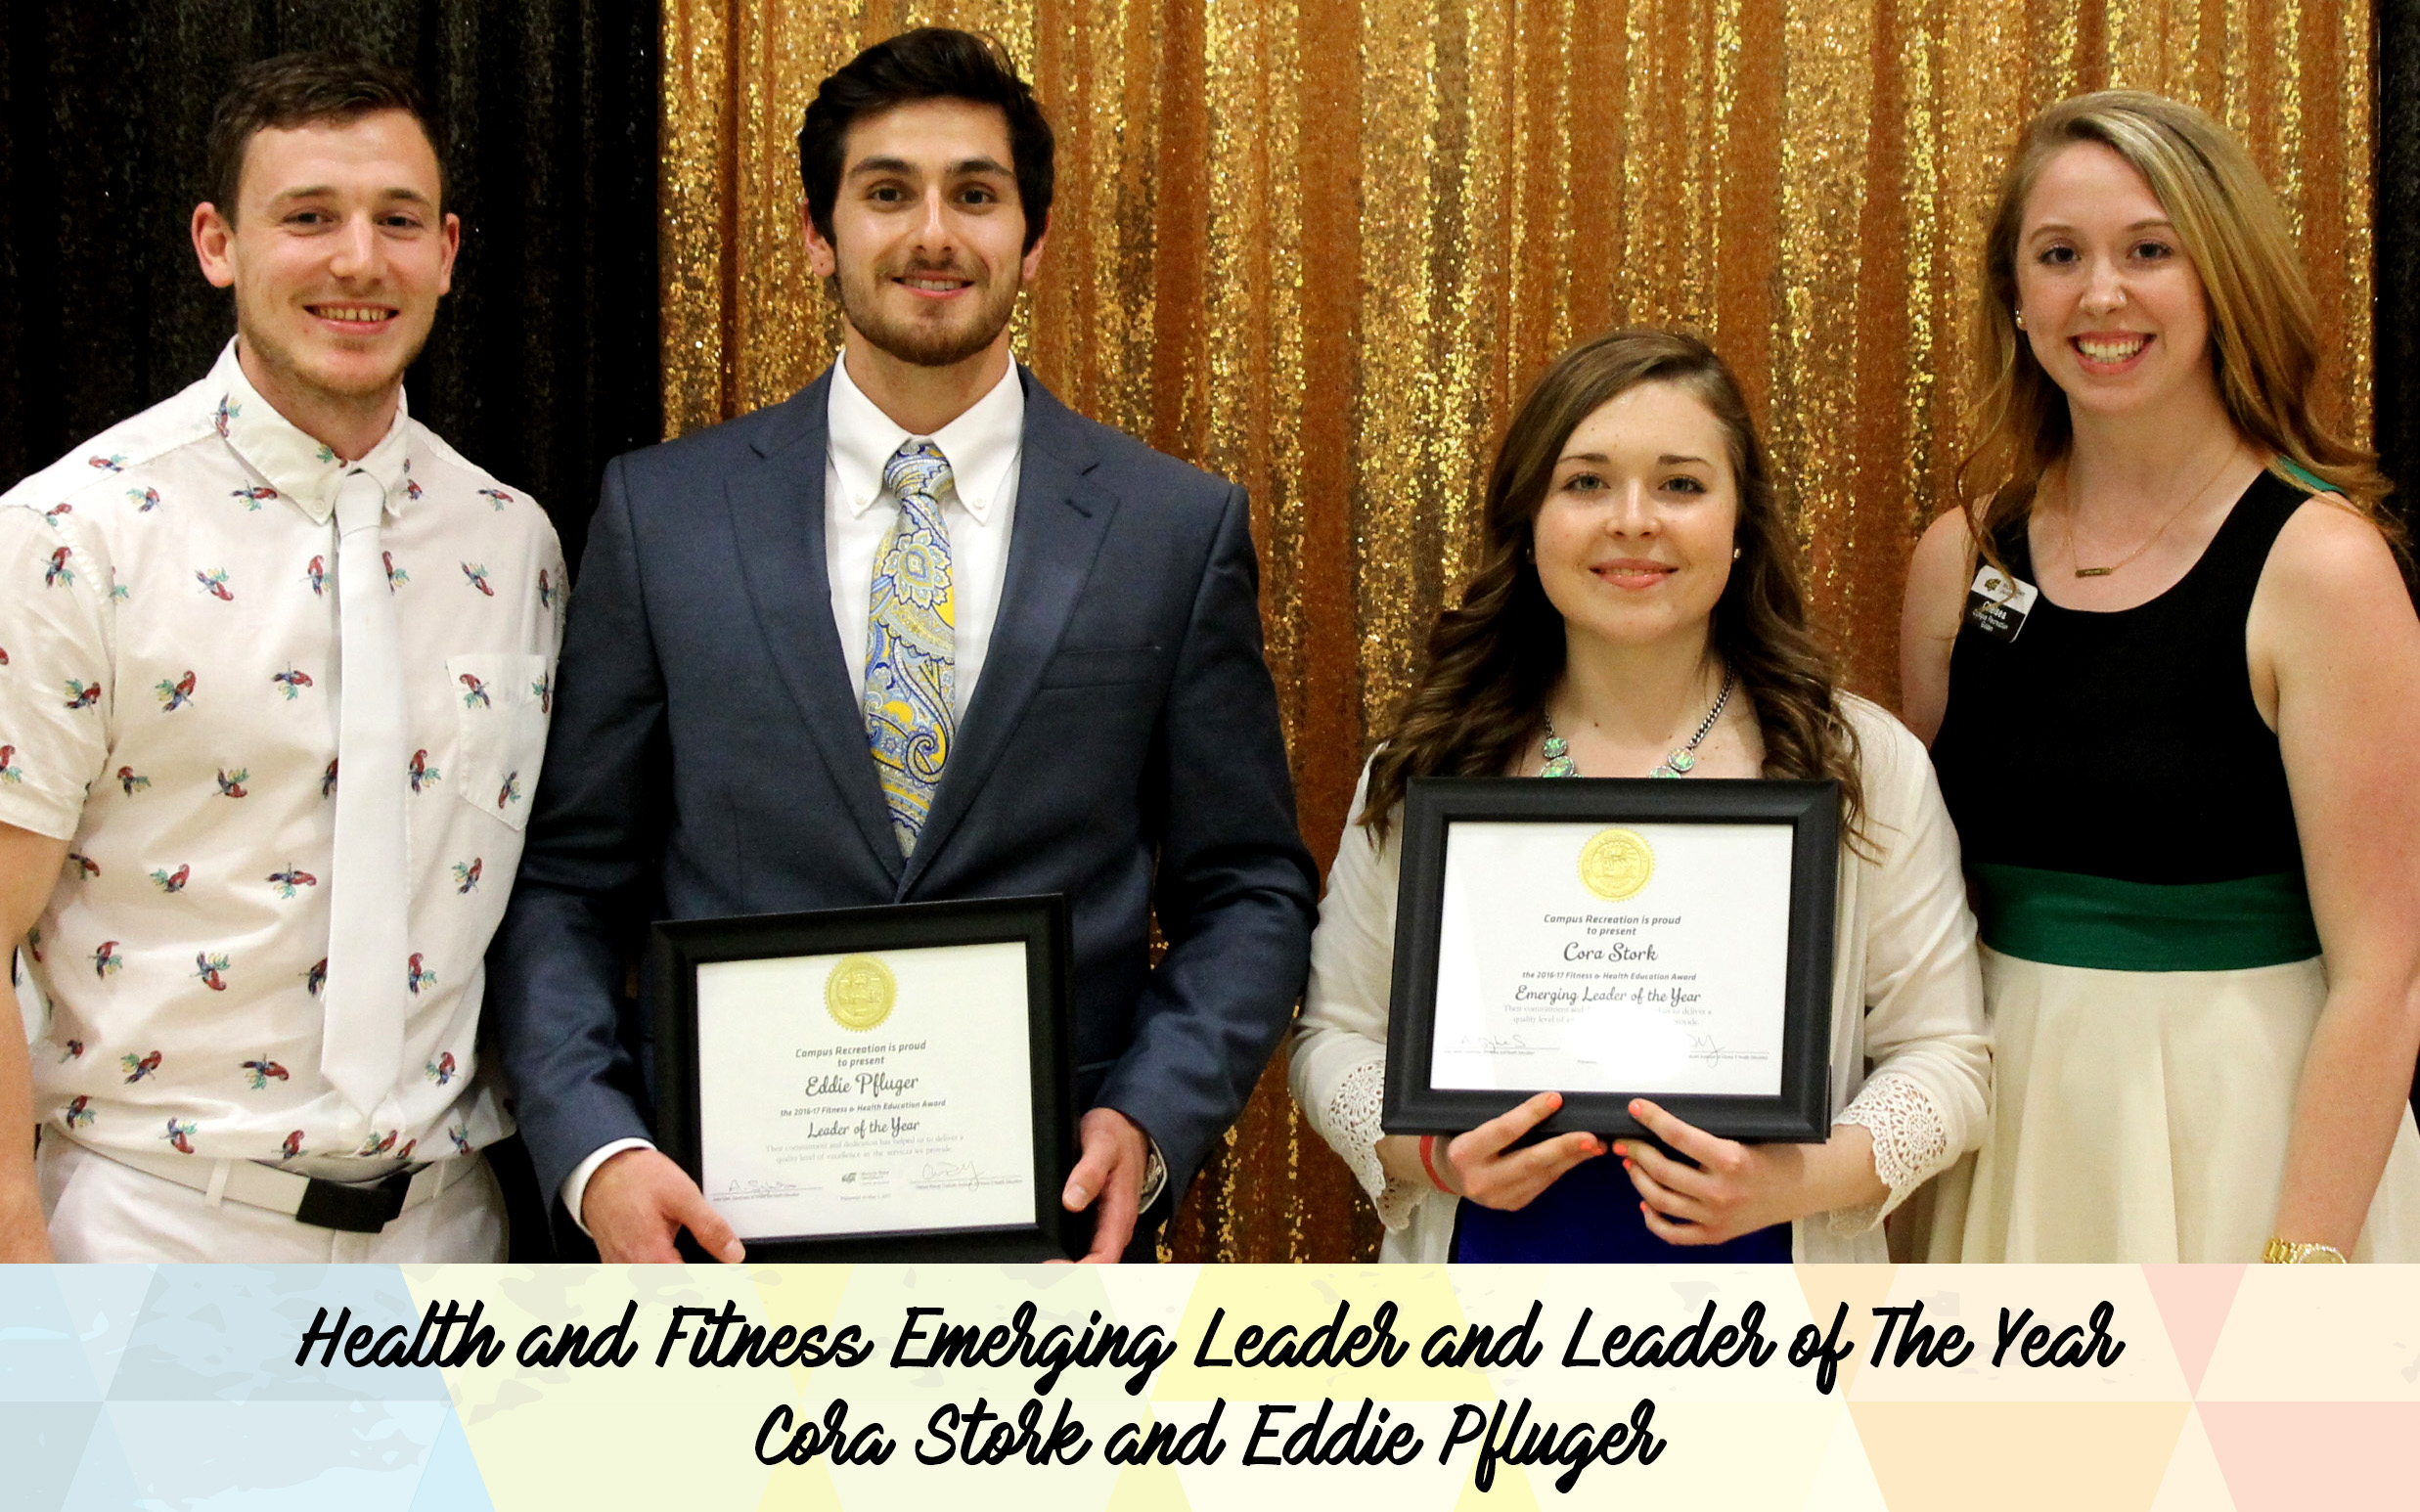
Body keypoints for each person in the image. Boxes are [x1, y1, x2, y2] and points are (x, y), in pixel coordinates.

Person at [487, 27, 1316, 1264]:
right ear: (820, 235)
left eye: (974, 194)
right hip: (714, 1237)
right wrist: (599, 1154)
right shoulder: (662, 516)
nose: (933, 233)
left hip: (1047, 1240)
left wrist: (1149, 1114)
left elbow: (1247, 888)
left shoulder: (1170, 528)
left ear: (1030, 241)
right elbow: (563, 882)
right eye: (887, 192)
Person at [0, 51, 563, 1262]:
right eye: (308, 217)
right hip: (150, 1237)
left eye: (397, 222)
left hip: (451, 1242)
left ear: (449, 251)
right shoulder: (70, 534)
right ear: (218, 244)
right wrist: (17, 1269)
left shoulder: (513, 544)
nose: (359, 260)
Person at [1289, 329, 1989, 1262]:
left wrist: (1797, 1183)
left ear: (1741, 526)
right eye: (1585, 482)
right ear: (1528, 522)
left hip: (1768, 1299)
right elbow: (1334, 1038)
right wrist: (1434, 1155)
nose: (1633, 519)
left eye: (1681, 484)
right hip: (1485, 1284)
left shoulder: (1861, 764)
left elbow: (1946, 1060)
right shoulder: (1426, 765)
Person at [1900, 91, 2420, 1262]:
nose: (2100, 294)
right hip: (2006, 1140)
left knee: (2234, 1456)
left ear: (2220, 276)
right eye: (2057, 255)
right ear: (2015, 299)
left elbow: (2382, 977)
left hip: (2249, 1145)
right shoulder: (1959, 560)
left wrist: (2303, 1268)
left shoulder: (2321, 568)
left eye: (2148, 251)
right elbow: (1925, 915)